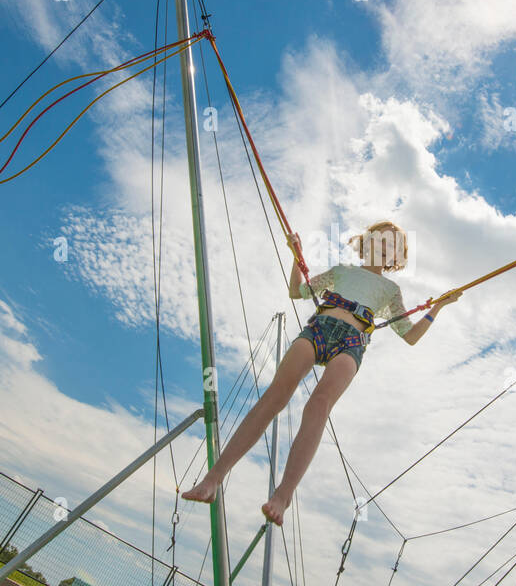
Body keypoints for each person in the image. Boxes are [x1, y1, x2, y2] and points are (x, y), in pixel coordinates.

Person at [181, 220, 461, 525]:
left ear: (395, 257)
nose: (382, 247)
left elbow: (409, 335)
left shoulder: (391, 291)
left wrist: (437, 308)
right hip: (318, 329)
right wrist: (295, 255)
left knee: (318, 405)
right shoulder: (341, 271)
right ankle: (213, 478)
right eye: (378, 240)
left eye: (389, 245)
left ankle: (283, 495)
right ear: (365, 242)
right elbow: (297, 292)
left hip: (352, 342)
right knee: (275, 396)